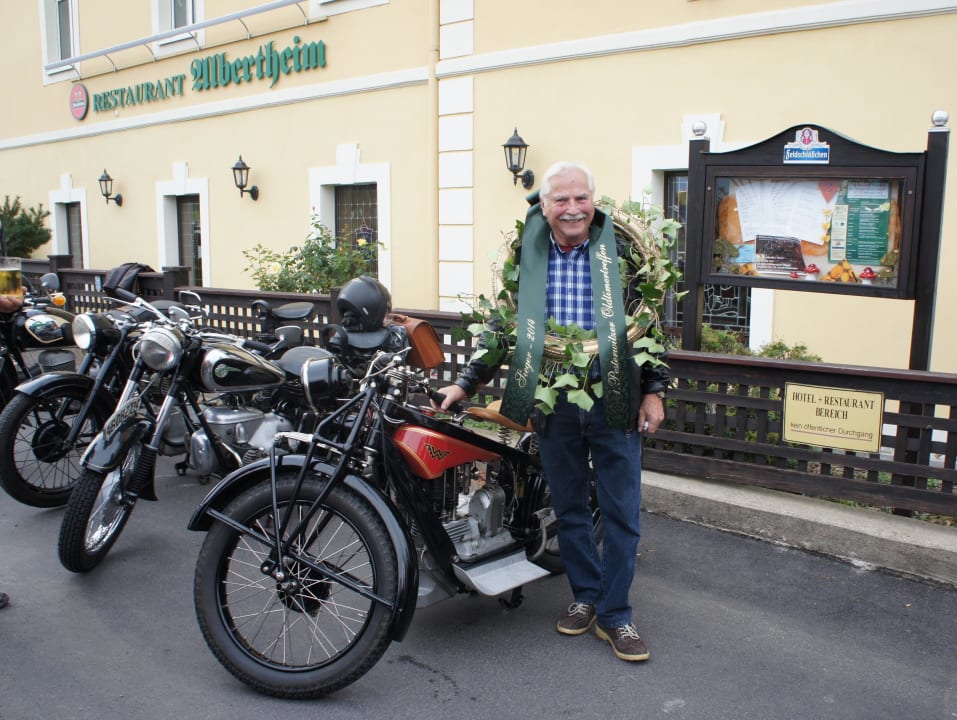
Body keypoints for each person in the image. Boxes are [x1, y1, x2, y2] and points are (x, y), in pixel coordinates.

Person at [439, 161, 668, 662]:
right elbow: (503, 329)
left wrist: (655, 390)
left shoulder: (621, 253)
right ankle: (586, 597)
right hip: (553, 400)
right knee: (569, 509)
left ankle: (616, 615)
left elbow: (648, 326)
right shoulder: (529, 254)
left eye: (580, 198)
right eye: (561, 200)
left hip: (616, 399)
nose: (572, 209)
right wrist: (465, 383)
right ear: (544, 207)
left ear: (594, 201)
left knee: (621, 514)